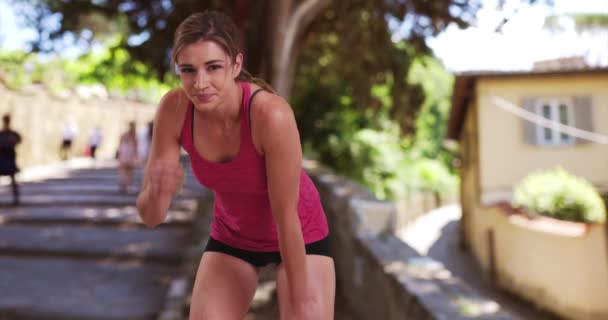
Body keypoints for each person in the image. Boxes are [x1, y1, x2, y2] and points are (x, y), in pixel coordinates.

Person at [136, 10, 335, 320]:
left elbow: (286, 217)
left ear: (236, 64)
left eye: (213, 67)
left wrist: (301, 299)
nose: (200, 83)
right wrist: (157, 193)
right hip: (233, 236)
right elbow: (151, 217)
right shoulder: (173, 110)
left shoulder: (270, 114)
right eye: (188, 70)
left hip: (300, 233)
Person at [0, 114, 22, 205]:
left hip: (9, 158)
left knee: (13, 179)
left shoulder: (11, 133)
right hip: (2, 159)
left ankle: (16, 198)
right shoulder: (3, 134)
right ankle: (16, 198)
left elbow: (18, 140)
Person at [117, 122, 138, 193]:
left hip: (125, 152)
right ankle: (127, 184)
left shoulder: (126, 135)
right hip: (128, 152)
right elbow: (135, 146)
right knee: (129, 170)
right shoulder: (133, 135)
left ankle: (125, 183)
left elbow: (120, 144)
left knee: (125, 170)